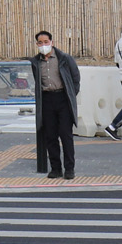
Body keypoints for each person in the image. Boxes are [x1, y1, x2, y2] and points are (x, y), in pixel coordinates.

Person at [31, 29, 81, 179]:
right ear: (37, 44)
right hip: (47, 100)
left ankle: (69, 168)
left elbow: (75, 79)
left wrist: (70, 95)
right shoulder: (36, 62)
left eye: (46, 42)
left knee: (66, 135)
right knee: (50, 136)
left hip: (63, 99)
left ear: (52, 42)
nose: (43, 45)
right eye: (40, 42)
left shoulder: (64, 58)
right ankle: (56, 168)